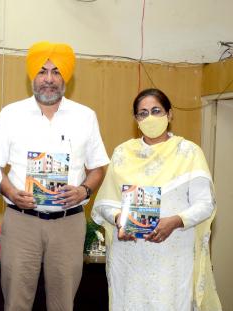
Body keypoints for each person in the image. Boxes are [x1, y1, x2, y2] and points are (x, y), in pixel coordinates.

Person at [0, 41, 109, 311]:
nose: (48, 79)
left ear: (65, 76)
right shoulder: (11, 114)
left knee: (63, 303)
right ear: (32, 76)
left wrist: (85, 191)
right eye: (42, 71)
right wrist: (11, 193)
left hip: (68, 223)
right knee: (16, 303)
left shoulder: (85, 116)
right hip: (22, 222)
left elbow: (98, 167)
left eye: (56, 72)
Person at [91, 88, 221, 310]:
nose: (149, 117)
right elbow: (104, 203)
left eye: (156, 111)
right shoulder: (123, 153)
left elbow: (206, 204)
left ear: (169, 115)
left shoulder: (188, 152)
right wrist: (119, 218)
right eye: (142, 113)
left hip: (172, 256)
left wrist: (175, 221)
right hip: (130, 258)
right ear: (135, 119)